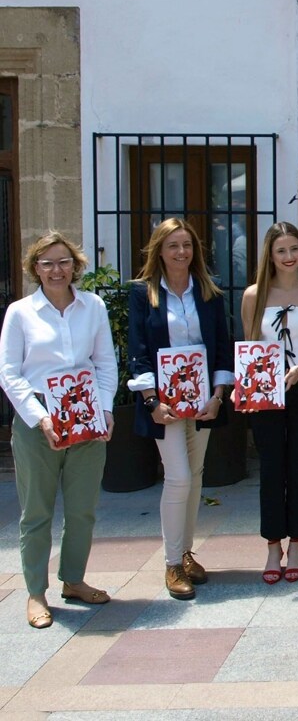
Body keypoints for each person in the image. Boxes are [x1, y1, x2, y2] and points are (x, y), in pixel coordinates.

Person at [0, 232, 117, 629]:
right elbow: (10, 374)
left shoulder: (93, 307)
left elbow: (105, 361)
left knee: (83, 508)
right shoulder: (20, 312)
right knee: (37, 512)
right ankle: (35, 592)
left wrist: (104, 408)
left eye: (63, 261)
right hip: (39, 416)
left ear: (76, 265)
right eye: (47, 263)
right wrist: (40, 417)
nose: (56, 270)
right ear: (35, 268)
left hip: (85, 414)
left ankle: (74, 580)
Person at [127, 218, 234, 600]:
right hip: (165, 406)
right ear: (159, 250)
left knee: (197, 476)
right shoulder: (143, 294)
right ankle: (172, 563)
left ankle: (186, 554)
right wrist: (152, 402)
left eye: (187, 245)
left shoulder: (208, 292)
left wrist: (218, 395)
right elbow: (137, 353)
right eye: (173, 246)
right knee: (179, 478)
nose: (181, 252)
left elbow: (222, 346)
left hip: (204, 402)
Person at [241, 222, 298, 584]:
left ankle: (296, 543)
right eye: (281, 250)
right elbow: (249, 346)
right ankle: (271, 545)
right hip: (266, 389)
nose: (289, 257)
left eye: (294, 249)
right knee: (270, 467)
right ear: (270, 255)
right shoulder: (254, 295)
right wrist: (244, 387)